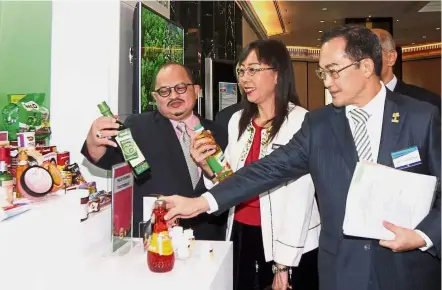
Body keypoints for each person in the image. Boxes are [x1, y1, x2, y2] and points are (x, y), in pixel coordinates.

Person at [161, 25, 441, 290]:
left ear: (366, 67)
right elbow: (267, 170)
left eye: (333, 72)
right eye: (322, 74)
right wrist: (202, 202)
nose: (327, 82)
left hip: (407, 268)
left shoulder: (422, 117)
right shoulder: (319, 125)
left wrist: (424, 235)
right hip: (342, 271)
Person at [191, 39, 320, 290]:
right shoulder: (237, 119)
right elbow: (231, 179)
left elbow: (299, 197)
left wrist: (283, 265)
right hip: (240, 231)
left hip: (289, 244)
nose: (244, 78)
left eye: (253, 70)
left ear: (277, 74)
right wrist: (209, 168)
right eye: (241, 71)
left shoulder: (301, 121)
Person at [81, 63, 228, 239]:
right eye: (164, 91)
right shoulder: (137, 127)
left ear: (196, 90)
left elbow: (232, 183)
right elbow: (107, 159)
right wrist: (93, 141)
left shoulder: (219, 132)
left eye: (180, 88)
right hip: (157, 237)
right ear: (155, 97)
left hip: (209, 238)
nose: (173, 95)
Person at [371, 28, 441, 110]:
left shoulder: (426, 102)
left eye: (370, 54)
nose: (364, 62)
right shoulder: (354, 103)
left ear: (391, 57)